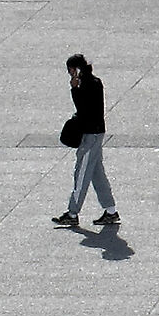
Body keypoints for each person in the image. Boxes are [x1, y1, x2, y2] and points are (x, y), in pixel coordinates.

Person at [52, 54, 118, 229]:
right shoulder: (95, 82)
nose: (70, 74)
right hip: (96, 132)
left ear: (76, 69)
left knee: (81, 173)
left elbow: (83, 109)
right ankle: (110, 211)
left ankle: (72, 213)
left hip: (90, 134)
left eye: (71, 71)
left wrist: (74, 89)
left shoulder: (86, 85)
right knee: (97, 173)